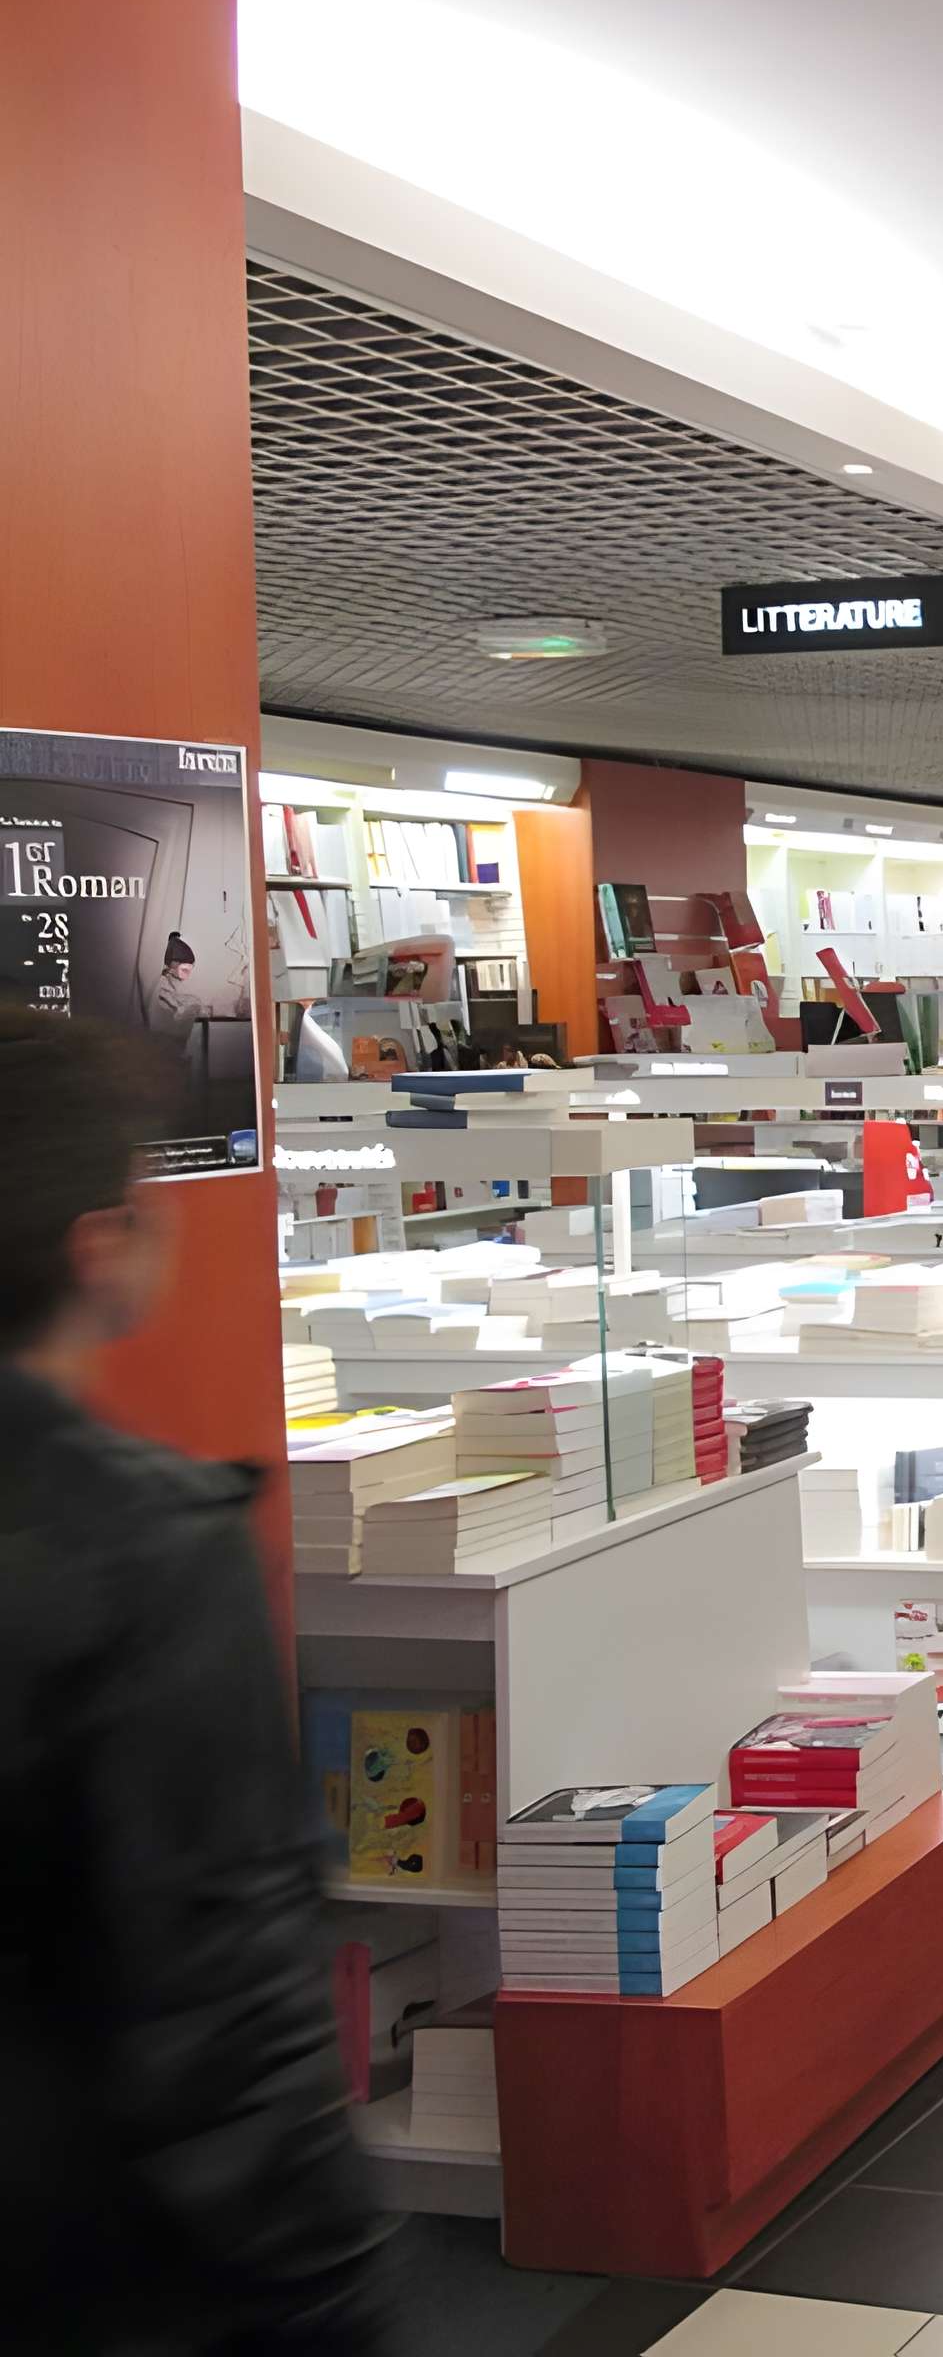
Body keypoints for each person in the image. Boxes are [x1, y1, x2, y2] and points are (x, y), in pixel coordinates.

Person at [0, 1007, 392, 2351]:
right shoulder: (144, 1550)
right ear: (94, 1249)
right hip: (88, 2257)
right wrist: (323, 2290)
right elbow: (221, 1997)